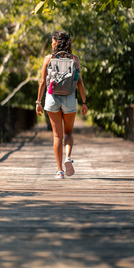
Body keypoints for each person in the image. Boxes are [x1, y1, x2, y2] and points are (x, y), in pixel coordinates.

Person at [35, 30, 88, 179]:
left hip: (52, 99)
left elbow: (42, 82)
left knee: (57, 136)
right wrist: (84, 102)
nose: (51, 43)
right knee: (68, 133)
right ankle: (68, 157)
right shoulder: (74, 59)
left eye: (52, 41)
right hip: (70, 98)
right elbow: (80, 82)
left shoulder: (48, 59)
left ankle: (59, 171)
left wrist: (38, 102)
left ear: (57, 43)